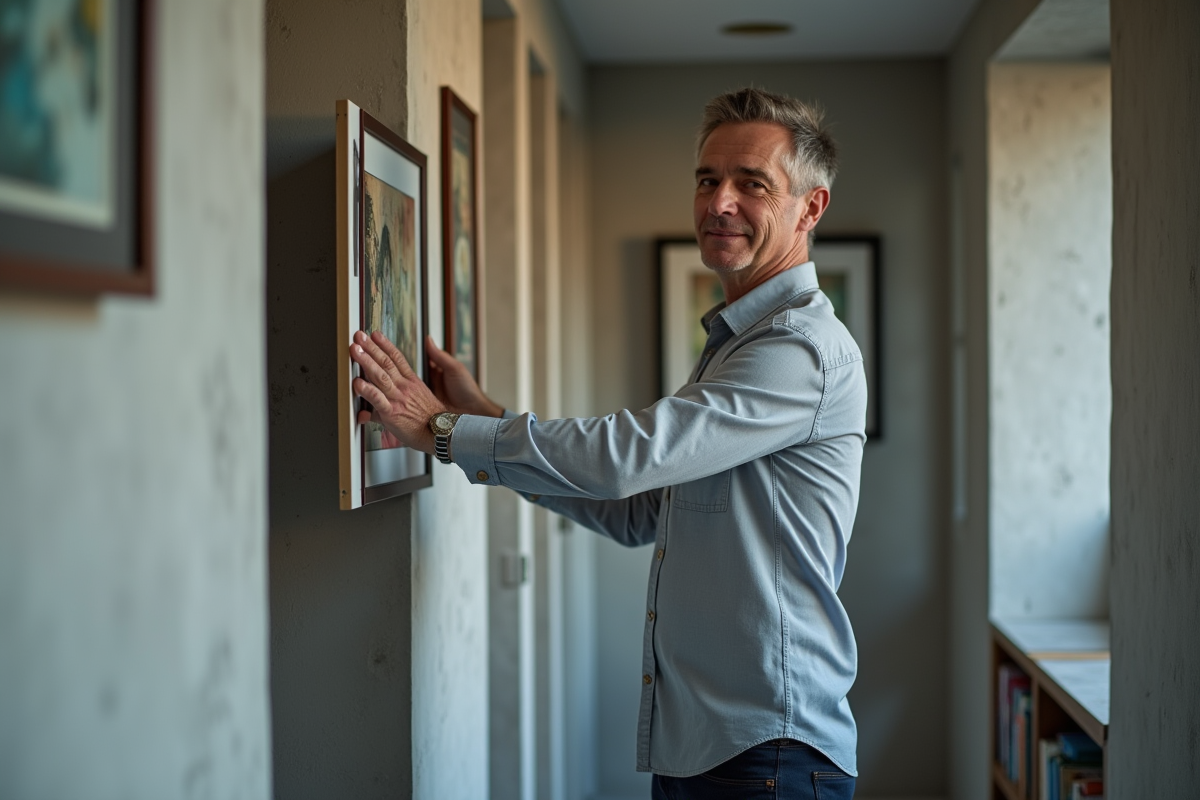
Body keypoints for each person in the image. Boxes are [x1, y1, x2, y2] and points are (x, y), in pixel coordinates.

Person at [349, 87, 866, 800]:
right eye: (707, 179)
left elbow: (630, 455)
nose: (720, 202)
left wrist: (444, 431)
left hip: (767, 753)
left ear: (810, 207)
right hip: (709, 747)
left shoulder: (799, 350)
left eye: (752, 184)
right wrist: (483, 414)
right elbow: (638, 510)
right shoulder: (738, 341)